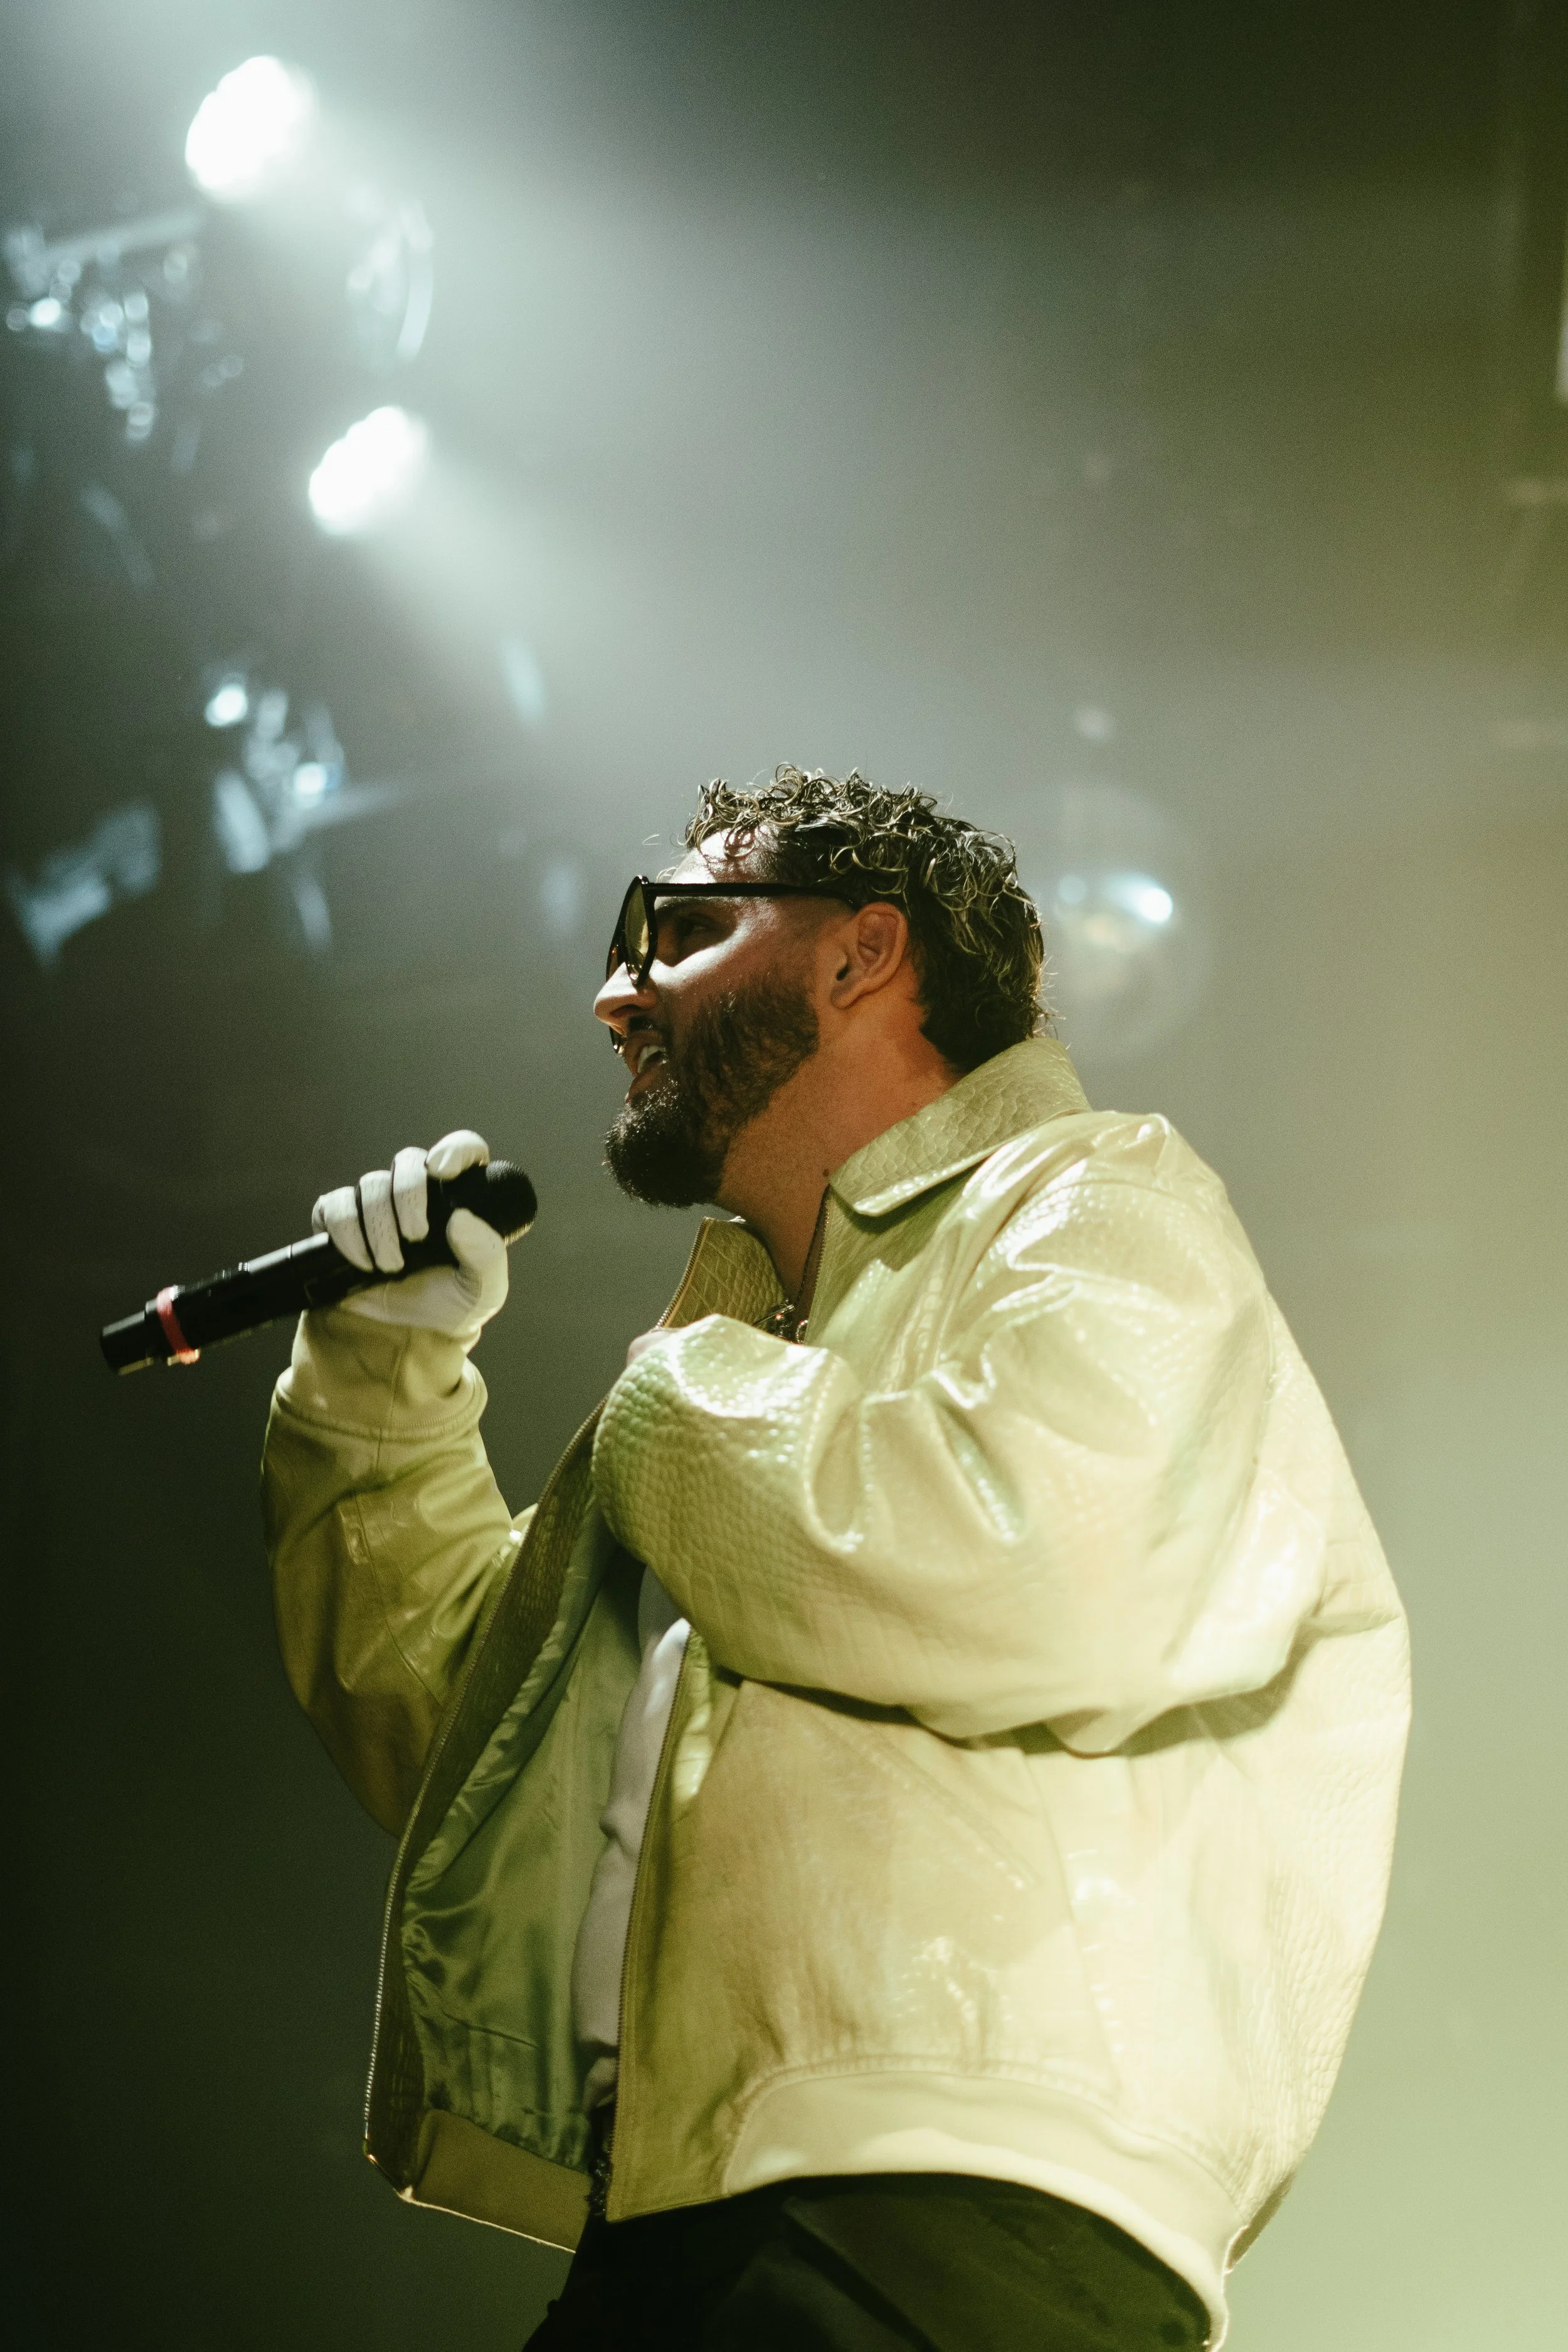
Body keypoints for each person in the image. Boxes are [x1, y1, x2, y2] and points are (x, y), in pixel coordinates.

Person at [262, 766, 1409, 2351]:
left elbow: (1039, 1566)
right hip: (686, 2223)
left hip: (946, 2224)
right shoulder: (755, 1376)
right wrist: (378, 1378)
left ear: (864, 952)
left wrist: (673, 1390)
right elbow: (476, 1752)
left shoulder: (1091, 1203)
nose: (615, 991)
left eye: (673, 926)